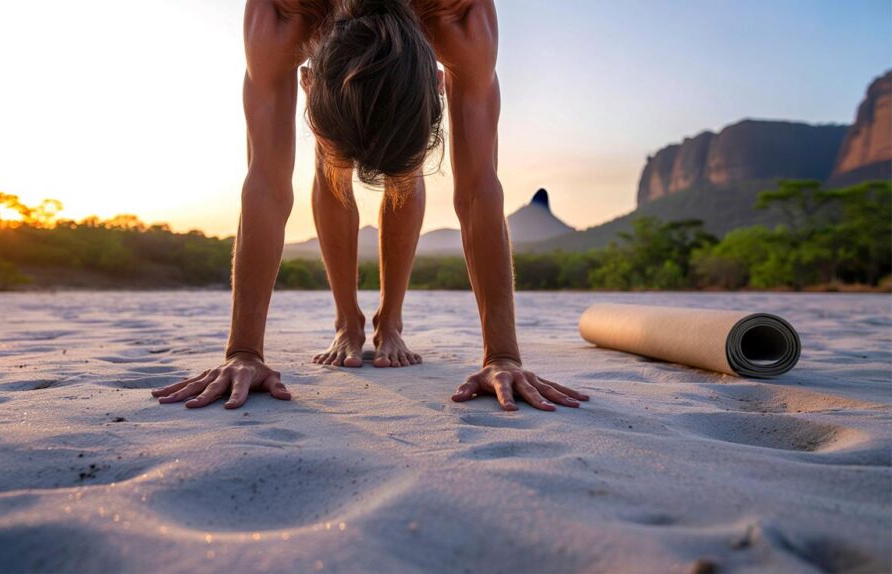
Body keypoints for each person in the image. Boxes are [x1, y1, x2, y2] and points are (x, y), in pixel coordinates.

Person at [152, 0, 589, 412]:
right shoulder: (283, 12)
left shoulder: (460, 13)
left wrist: (503, 355)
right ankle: (348, 321)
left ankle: (389, 322)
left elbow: (478, 191)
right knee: (334, 160)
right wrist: (243, 350)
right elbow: (266, 182)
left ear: (438, 84)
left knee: (402, 154)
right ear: (309, 82)